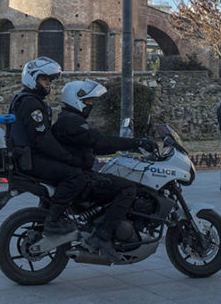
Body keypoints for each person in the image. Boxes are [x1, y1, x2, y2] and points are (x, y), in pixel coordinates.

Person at [52, 79, 155, 261]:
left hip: (77, 174)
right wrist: (135, 142)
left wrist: (123, 146)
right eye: (89, 102)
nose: (90, 106)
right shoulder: (71, 122)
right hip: (80, 178)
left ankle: (106, 225)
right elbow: (98, 140)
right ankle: (104, 234)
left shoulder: (68, 120)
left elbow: (95, 146)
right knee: (128, 189)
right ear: (78, 100)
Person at [9, 57, 87, 236]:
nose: (48, 84)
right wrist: (68, 157)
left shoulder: (27, 100)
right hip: (31, 159)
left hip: (27, 156)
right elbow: (42, 139)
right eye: (44, 79)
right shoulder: (30, 103)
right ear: (32, 78)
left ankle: (45, 213)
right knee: (75, 176)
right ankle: (53, 221)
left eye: (49, 81)